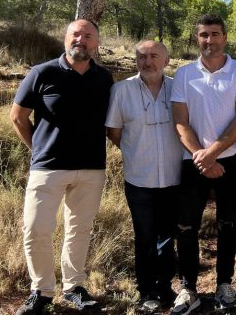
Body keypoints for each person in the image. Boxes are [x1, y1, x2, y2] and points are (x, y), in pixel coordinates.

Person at [10, 19, 114, 314]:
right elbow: (18, 116)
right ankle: (41, 292)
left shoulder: (105, 78)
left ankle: (74, 288)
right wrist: (38, 150)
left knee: (79, 230)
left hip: (92, 169)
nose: (81, 39)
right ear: (66, 39)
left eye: (88, 35)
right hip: (48, 168)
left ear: (96, 42)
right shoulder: (42, 72)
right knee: (35, 229)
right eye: (76, 34)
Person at [169, 14, 236, 314]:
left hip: (230, 161)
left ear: (225, 37)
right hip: (193, 161)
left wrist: (213, 154)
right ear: (197, 38)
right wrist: (201, 157)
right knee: (186, 225)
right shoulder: (183, 74)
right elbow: (180, 122)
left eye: (215, 34)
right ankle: (188, 288)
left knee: (227, 224)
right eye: (204, 35)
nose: (210, 40)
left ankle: (225, 285)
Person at [105, 40, 184, 313]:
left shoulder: (179, 88)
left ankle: (165, 286)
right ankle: (146, 290)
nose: (147, 61)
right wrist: (136, 151)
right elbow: (114, 132)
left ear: (167, 60)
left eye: (153, 56)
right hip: (139, 178)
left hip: (174, 177)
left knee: (167, 236)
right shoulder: (121, 90)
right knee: (145, 237)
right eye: (141, 57)